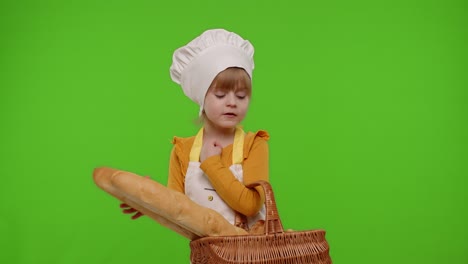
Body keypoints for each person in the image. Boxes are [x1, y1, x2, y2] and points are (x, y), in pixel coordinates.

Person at [121, 29, 269, 229]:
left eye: (241, 96)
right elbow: (179, 214)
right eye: (220, 95)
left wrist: (211, 163)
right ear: (201, 96)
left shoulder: (254, 145)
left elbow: (250, 205)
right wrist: (150, 202)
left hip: (253, 257)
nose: (232, 102)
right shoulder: (183, 151)